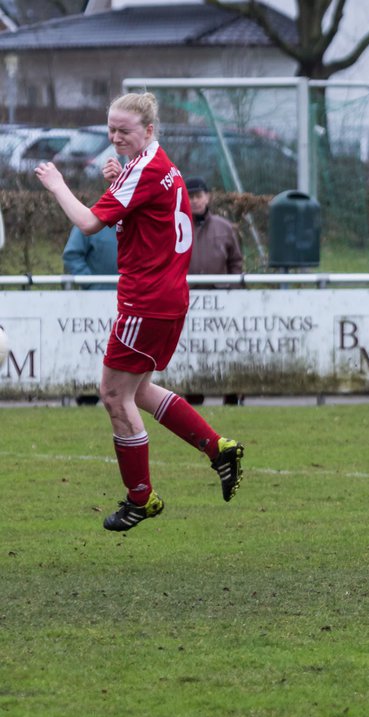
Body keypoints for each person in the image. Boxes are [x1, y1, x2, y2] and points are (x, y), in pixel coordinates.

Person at [34, 92, 244, 532]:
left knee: (113, 394)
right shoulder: (158, 165)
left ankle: (140, 498)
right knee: (140, 390)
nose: (114, 137)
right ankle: (217, 447)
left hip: (145, 302)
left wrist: (57, 185)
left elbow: (91, 223)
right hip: (166, 299)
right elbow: (141, 216)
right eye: (110, 129)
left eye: (124, 130)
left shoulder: (145, 170)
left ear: (149, 130)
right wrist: (118, 178)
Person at [187, 176, 243, 285]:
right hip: (185, 295)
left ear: (207, 197)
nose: (194, 201)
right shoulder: (175, 229)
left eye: (199, 196)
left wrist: (234, 289)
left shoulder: (225, 228)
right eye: (190, 197)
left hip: (221, 295)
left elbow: (235, 262)